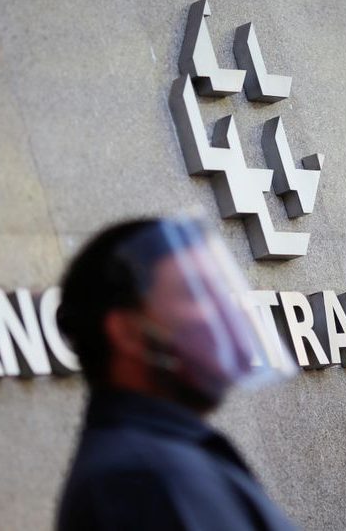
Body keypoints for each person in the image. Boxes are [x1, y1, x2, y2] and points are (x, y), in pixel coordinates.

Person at [55, 217, 298, 530]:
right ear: (128, 332)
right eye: (198, 293)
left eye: (222, 291)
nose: (228, 311)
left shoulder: (167, 454)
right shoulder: (137, 483)